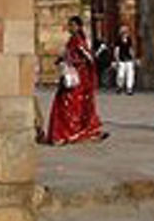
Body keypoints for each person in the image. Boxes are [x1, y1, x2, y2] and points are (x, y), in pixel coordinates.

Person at [43, 15, 108, 144]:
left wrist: (72, 62)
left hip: (78, 80)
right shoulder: (72, 40)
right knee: (64, 103)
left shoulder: (78, 41)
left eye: (72, 25)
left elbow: (88, 58)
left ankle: (70, 133)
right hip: (71, 77)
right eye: (69, 25)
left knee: (71, 104)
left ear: (78, 27)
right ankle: (62, 133)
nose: (70, 28)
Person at [113, 24, 136, 94]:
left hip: (129, 59)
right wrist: (116, 59)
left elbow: (131, 49)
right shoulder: (118, 40)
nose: (125, 33)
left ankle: (129, 88)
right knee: (120, 75)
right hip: (121, 59)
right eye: (124, 32)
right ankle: (120, 86)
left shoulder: (129, 40)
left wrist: (133, 57)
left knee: (130, 74)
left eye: (126, 31)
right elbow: (116, 50)